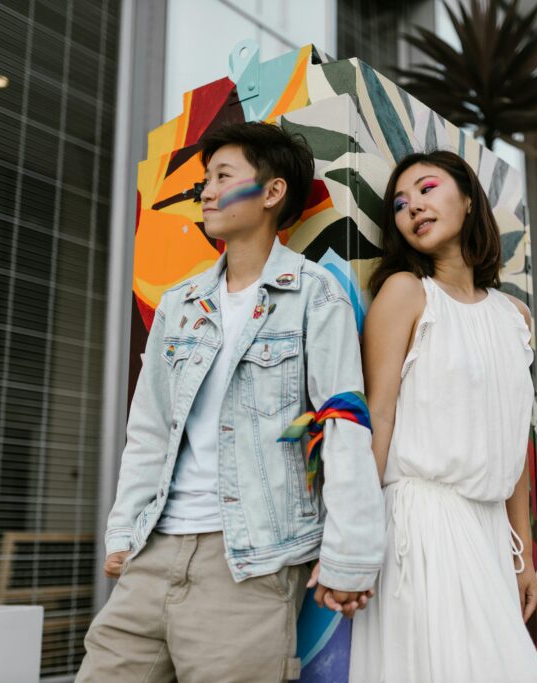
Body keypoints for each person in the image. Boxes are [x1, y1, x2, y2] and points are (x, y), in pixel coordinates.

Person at [77, 122, 385, 683]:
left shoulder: (315, 295)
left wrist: (351, 554)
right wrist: (124, 531)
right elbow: (148, 428)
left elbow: (343, 424)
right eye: (204, 180)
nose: (207, 192)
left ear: (272, 193)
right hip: (154, 553)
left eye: (223, 177)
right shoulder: (180, 303)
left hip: (250, 562)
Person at [349, 150, 537, 682]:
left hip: (486, 527)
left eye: (427, 188)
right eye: (399, 203)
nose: (412, 206)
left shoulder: (516, 317)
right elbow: (380, 417)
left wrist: (523, 555)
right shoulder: (406, 294)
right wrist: (357, 533)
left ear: (467, 198)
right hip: (422, 520)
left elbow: (514, 447)